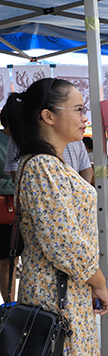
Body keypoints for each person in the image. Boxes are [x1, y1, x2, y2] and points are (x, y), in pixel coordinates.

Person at [5, 78, 108, 354]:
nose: (84, 117)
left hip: (66, 287)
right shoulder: (42, 166)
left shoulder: (50, 162)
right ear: (48, 116)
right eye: (78, 109)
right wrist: (99, 281)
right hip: (56, 292)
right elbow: (63, 242)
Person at [6, 137, 93, 184]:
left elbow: (17, 177)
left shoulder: (19, 137)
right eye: (77, 111)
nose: (83, 118)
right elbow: (87, 171)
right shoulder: (76, 140)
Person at [0, 107, 18, 305]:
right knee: (6, 261)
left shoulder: (24, 141)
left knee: (14, 260)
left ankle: (13, 304)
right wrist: (16, 183)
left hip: (20, 209)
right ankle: (9, 305)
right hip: (5, 209)